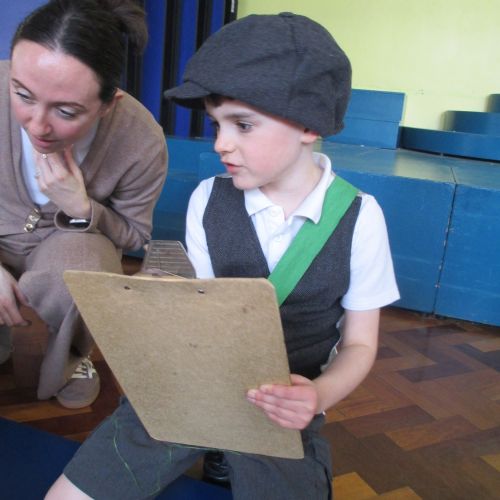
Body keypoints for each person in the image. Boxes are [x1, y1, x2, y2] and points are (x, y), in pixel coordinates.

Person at [46, 12, 399, 499]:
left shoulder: (362, 217)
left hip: (279, 412)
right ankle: (218, 448)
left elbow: (360, 345)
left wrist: (317, 395)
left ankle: (228, 453)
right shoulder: (208, 199)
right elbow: (201, 312)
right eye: (216, 124)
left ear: (308, 123)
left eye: (243, 125)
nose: (220, 144)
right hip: (193, 389)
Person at [0, 0, 167, 409]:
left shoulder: (141, 139)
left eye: (66, 111)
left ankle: (71, 358)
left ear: (110, 103)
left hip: (64, 246)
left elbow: (135, 235)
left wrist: (83, 208)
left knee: (84, 268)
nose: (38, 125)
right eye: (22, 95)